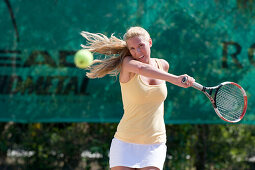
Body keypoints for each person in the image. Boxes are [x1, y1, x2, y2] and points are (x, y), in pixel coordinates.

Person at [80, 27, 195, 170]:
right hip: (125, 142)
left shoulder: (163, 65)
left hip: (155, 143)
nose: (138, 52)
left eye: (141, 46)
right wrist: (175, 79)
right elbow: (141, 68)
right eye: (132, 48)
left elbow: (152, 70)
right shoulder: (128, 64)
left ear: (150, 42)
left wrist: (180, 79)